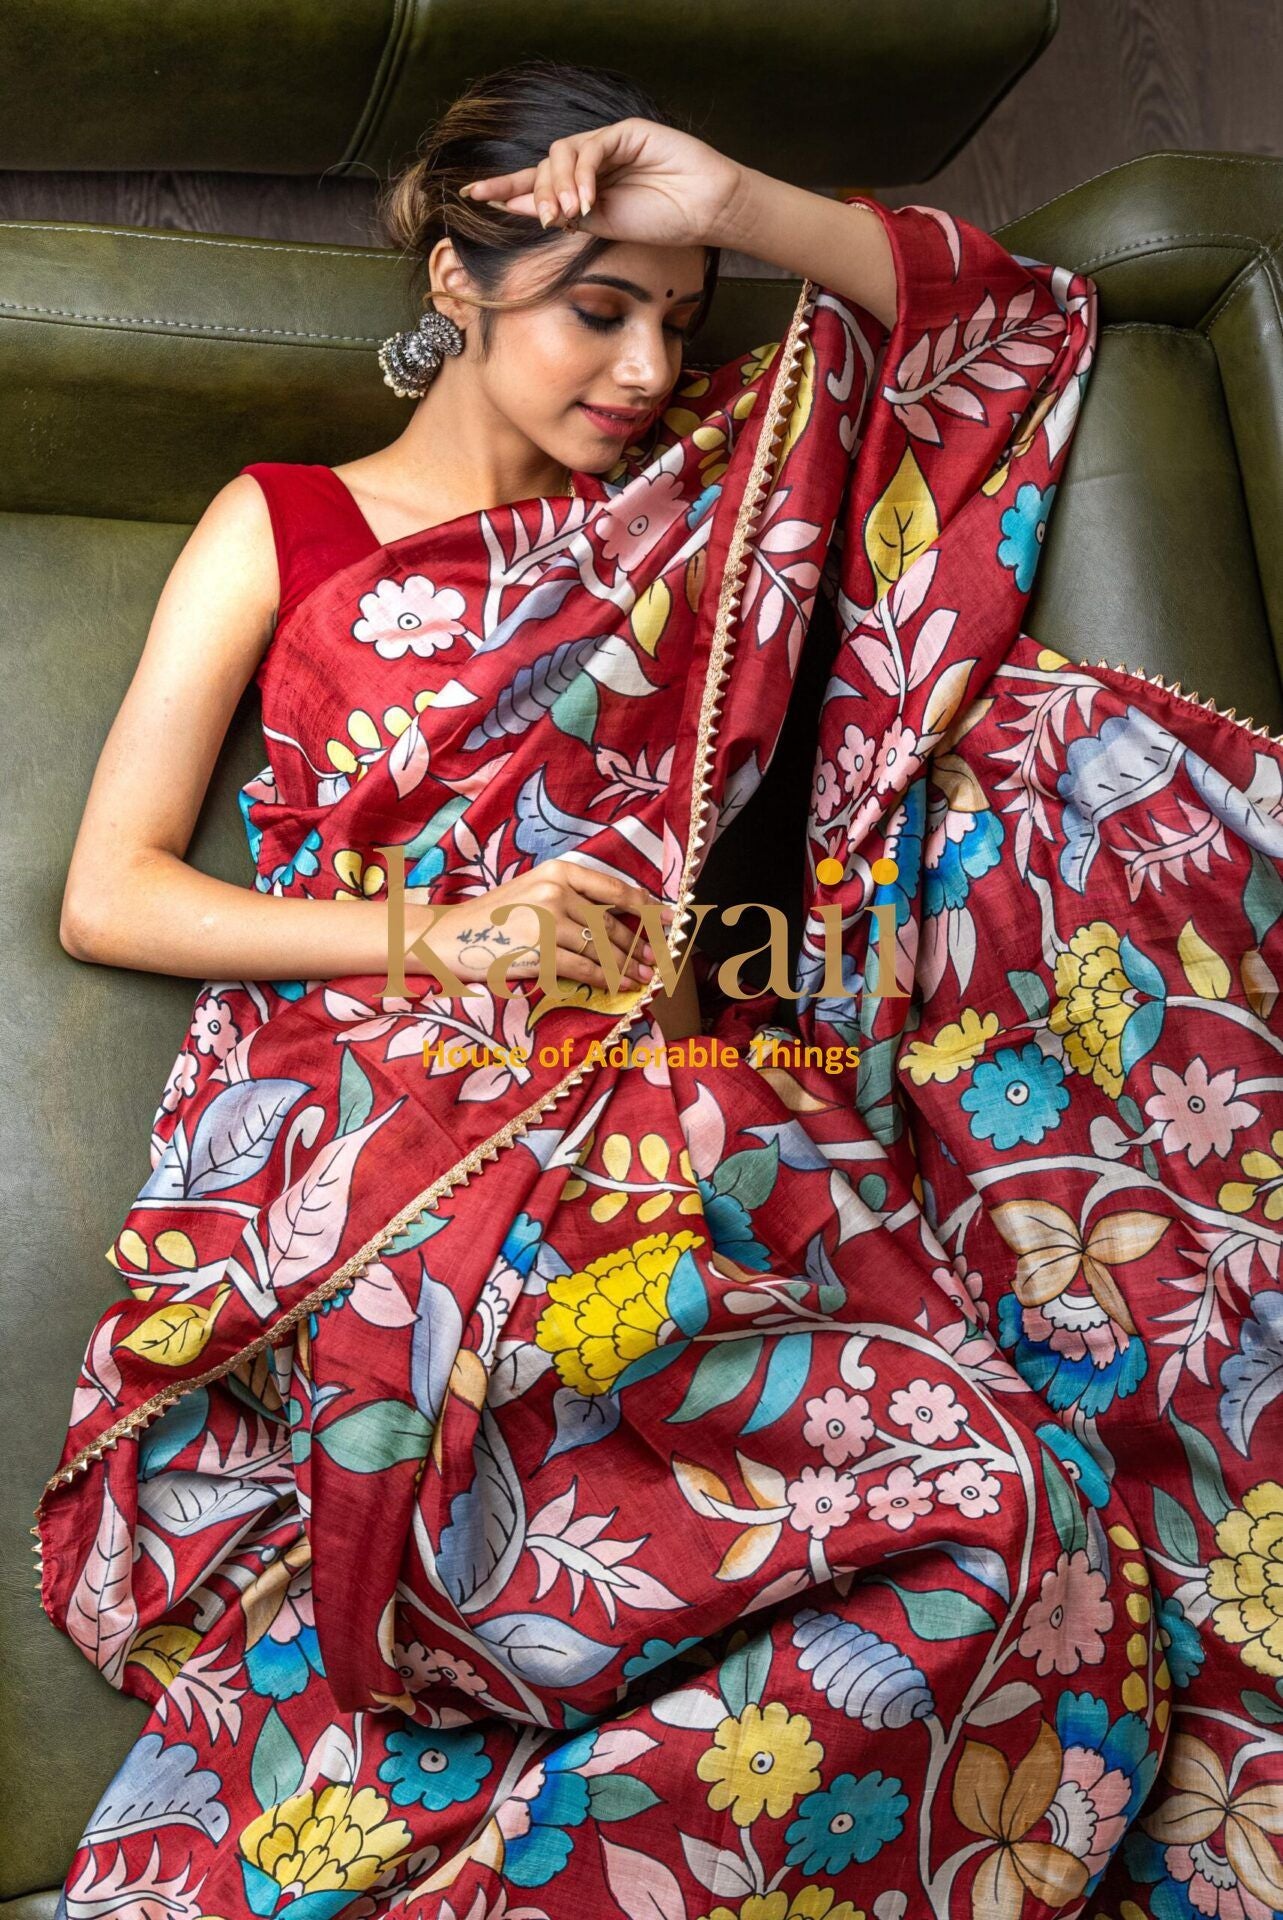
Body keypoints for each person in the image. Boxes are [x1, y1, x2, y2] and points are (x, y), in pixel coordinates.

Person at [36, 54, 1283, 1920]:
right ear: (454, 286)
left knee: (1031, 1541)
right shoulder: (286, 526)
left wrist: (732, 205)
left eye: (675, 319)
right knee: (978, 1530)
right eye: (592, 311)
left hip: (718, 1138)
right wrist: (437, 934)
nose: (639, 371)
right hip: (403, 1147)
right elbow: (109, 895)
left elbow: (1014, 326)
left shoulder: (726, 492)